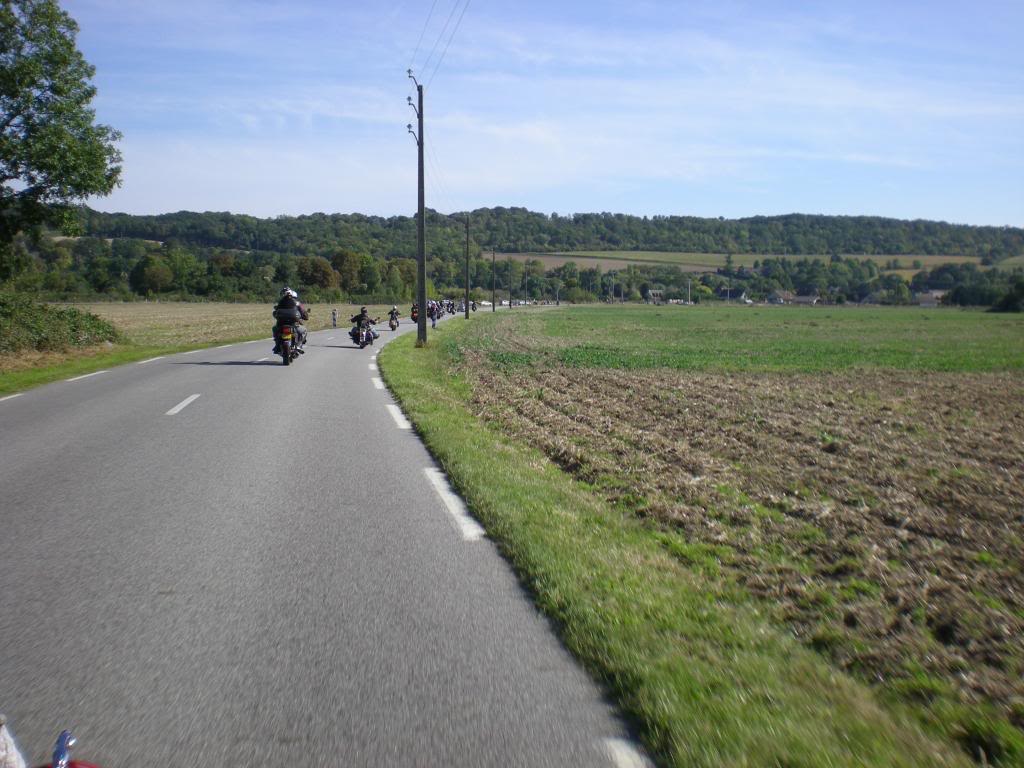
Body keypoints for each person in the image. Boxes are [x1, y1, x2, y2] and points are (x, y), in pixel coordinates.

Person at [272, 287, 308, 354]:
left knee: (275, 329)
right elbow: (303, 312)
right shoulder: (296, 303)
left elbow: (275, 313)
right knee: (304, 330)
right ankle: (298, 345)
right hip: (293, 324)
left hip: (281, 324)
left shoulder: (280, 302)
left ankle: (277, 346)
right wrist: (305, 317)